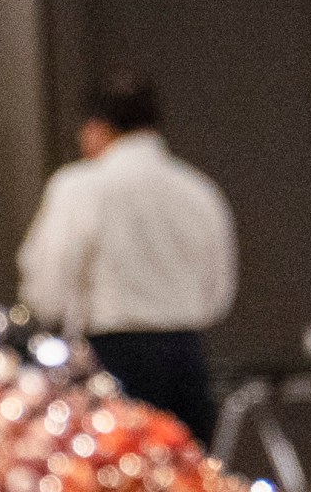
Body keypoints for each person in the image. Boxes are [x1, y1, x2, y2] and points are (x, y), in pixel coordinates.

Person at [16, 71, 237, 441]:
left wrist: (44, 318)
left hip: (112, 360)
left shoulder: (80, 186)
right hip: (187, 362)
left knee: (113, 487)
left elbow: (47, 282)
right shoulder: (198, 190)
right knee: (188, 489)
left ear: (96, 128)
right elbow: (218, 292)